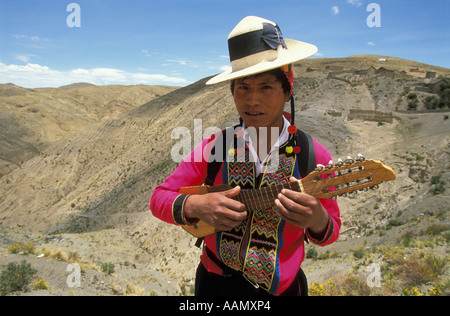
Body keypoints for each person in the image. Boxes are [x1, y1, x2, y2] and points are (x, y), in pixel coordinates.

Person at [150, 16, 341, 296]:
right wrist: (196, 206)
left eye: (266, 87)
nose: (252, 100)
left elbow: (330, 230)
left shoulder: (313, 155)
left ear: (288, 90)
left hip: (283, 290)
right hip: (216, 285)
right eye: (243, 88)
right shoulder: (215, 146)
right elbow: (159, 198)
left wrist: (317, 218)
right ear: (232, 91)